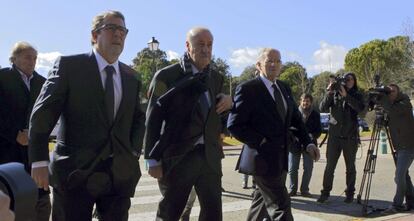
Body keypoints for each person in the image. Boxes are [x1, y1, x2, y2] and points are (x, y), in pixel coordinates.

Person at [28, 10, 145, 221]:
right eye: (111, 28)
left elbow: (138, 118)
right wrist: (39, 161)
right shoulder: (70, 66)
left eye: (122, 30)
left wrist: (133, 152)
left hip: (118, 175)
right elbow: (42, 114)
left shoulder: (132, 77)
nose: (118, 34)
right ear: (94, 35)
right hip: (75, 174)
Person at [144, 27, 232, 221]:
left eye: (209, 45)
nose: (206, 49)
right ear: (187, 46)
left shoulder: (216, 78)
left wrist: (228, 100)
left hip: (210, 158)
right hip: (177, 157)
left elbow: (214, 111)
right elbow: (153, 118)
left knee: (213, 214)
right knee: (170, 213)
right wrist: (151, 158)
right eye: (200, 44)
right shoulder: (166, 76)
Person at [227, 48, 320, 221]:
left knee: (260, 203)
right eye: (269, 61)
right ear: (259, 64)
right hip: (262, 160)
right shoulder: (248, 89)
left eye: (277, 61)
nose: (274, 64)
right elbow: (234, 125)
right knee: (281, 208)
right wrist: (261, 141)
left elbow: (296, 120)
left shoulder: (284, 88)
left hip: (281, 158)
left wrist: (308, 143)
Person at [0, 42, 51, 221]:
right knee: (13, 199)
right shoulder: (3, 78)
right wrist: (14, 134)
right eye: (28, 57)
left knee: (41, 201)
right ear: (14, 58)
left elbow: (49, 114)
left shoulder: (43, 83)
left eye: (35, 58)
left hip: (35, 154)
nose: (33, 61)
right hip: (7, 153)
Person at [317, 72, 365, 203]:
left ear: (354, 82)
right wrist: (330, 92)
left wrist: (346, 96)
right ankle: (325, 193)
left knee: (350, 167)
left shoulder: (357, 95)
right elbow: (322, 107)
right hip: (334, 137)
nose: (348, 81)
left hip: (350, 137)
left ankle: (350, 193)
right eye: (346, 79)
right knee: (329, 167)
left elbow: (361, 109)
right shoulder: (334, 94)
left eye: (351, 80)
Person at [380, 84, 414, 213]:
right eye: (388, 92)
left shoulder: (405, 103)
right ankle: (411, 202)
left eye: (392, 91)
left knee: (399, 177)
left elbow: (394, 111)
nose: (390, 93)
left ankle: (397, 205)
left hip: (408, 146)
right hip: (400, 146)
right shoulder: (391, 106)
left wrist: (383, 99)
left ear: (398, 92)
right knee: (404, 176)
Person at [288, 93, 322, 197]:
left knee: (308, 168)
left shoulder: (315, 114)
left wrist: (311, 136)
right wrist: (295, 136)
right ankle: (292, 189)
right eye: (303, 100)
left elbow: (319, 131)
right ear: (300, 101)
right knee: (292, 168)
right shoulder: (294, 112)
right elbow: (289, 128)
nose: (305, 103)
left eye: (307, 101)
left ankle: (304, 190)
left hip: (310, 145)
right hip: (295, 144)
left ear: (311, 102)